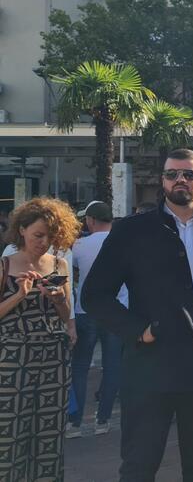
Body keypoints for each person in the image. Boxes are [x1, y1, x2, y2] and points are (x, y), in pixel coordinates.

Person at [83, 149, 193, 482]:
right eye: (172, 174)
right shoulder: (131, 231)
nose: (180, 180)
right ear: (162, 181)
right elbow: (95, 296)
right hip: (151, 371)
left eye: (189, 174)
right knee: (139, 467)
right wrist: (139, 330)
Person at [0, 197, 78, 481]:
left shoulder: (59, 264)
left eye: (50, 236)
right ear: (21, 230)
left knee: (50, 432)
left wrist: (58, 300)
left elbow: (65, 314)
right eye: (38, 235)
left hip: (53, 360)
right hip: (12, 360)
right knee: (10, 432)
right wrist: (20, 295)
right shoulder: (5, 265)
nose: (44, 242)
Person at [68, 200, 126, 439]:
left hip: (86, 311)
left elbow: (69, 271)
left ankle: (74, 422)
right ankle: (103, 420)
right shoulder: (124, 243)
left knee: (80, 367)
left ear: (90, 220)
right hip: (116, 312)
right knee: (113, 367)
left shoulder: (79, 245)